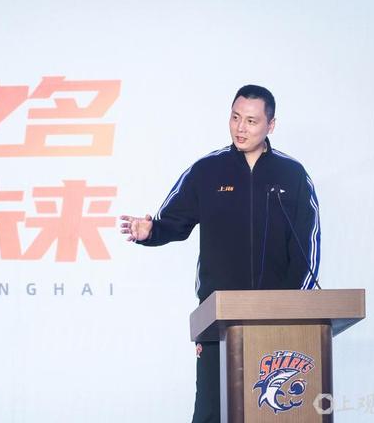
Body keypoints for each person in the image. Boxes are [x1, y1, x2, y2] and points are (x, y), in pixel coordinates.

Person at [120, 85, 320, 423]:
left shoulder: (293, 174)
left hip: (277, 320)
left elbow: (307, 245)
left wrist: (291, 305)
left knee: (273, 413)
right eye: (235, 117)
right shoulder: (207, 170)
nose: (241, 128)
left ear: (271, 125)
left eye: (251, 121)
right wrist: (151, 231)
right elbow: (173, 222)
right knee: (211, 412)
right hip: (219, 320)